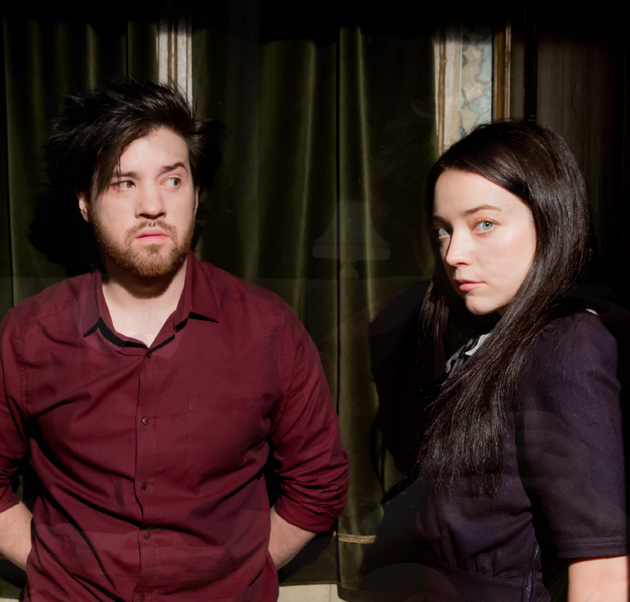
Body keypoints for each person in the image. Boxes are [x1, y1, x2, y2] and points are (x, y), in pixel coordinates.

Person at [0, 79, 349, 601]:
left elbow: (319, 485)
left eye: (172, 179)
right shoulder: (30, 335)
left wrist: (238, 572)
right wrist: (57, 568)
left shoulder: (268, 329)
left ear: (195, 192)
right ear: (85, 202)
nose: (153, 205)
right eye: (123, 182)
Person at [377, 120, 627, 602]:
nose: (454, 253)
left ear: (549, 221)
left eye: (484, 224)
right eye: (443, 230)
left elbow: (601, 571)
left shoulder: (567, 344)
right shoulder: (494, 337)